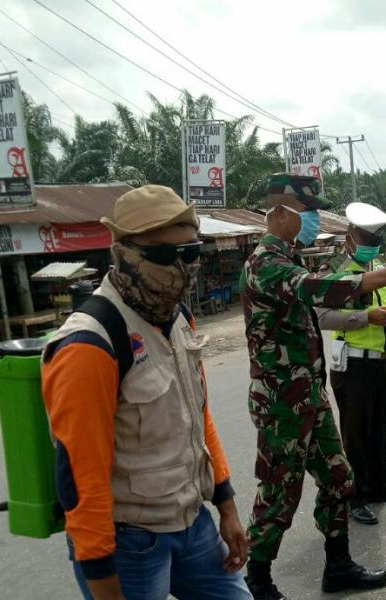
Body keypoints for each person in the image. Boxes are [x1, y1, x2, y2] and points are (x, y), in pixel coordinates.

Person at [41, 185, 251, 600]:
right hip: (131, 541)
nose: (182, 266)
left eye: (191, 252)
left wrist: (226, 506)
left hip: (192, 521)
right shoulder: (90, 343)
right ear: (123, 253)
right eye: (163, 254)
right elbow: (82, 480)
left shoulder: (178, 317)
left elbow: (198, 417)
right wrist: (104, 584)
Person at [241, 174, 386, 599]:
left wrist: (379, 283)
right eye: (308, 212)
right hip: (281, 401)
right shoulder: (265, 262)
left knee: (339, 478)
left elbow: (319, 295)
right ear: (280, 212)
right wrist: (378, 278)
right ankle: (257, 580)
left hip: (309, 393)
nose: (313, 220)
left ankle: (339, 566)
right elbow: (313, 289)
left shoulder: (290, 257)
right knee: (279, 491)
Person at [316, 202, 386, 527]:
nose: (373, 246)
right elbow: (323, 316)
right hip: (353, 364)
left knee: (378, 428)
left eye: (376, 241)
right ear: (351, 237)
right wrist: (367, 317)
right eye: (368, 240)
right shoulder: (335, 270)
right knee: (355, 434)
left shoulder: (380, 266)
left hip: (382, 360)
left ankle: (378, 486)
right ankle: (356, 498)